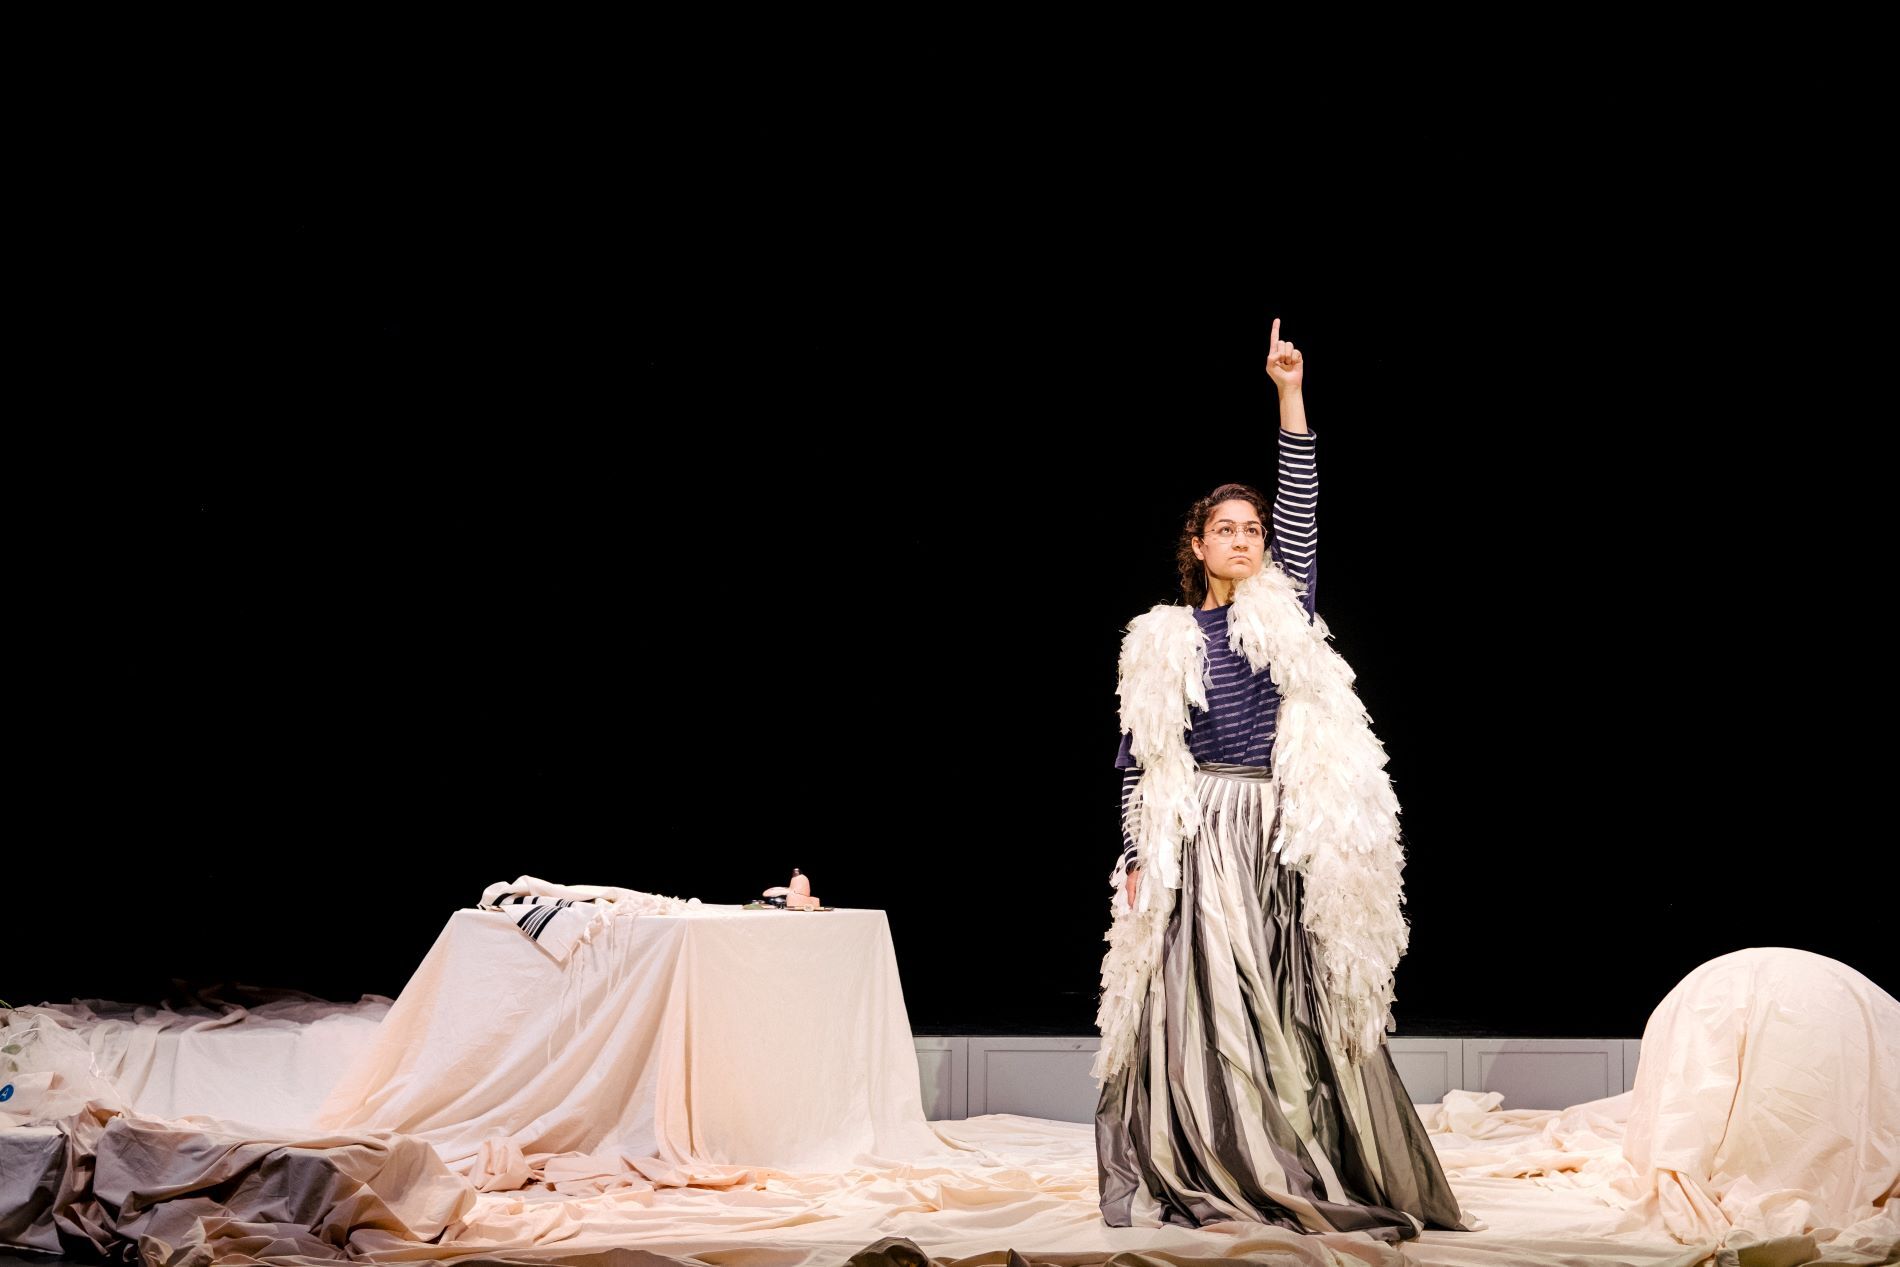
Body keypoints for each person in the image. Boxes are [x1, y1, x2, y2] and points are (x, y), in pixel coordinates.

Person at [1092, 318, 1469, 1242]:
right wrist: (1136, 855)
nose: (1243, 539)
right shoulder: (1162, 639)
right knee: (1208, 1000)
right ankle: (1216, 1152)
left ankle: (1294, 1152)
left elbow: (1301, 500)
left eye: (1252, 530)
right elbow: (1144, 761)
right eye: (1225, 529)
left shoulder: (1283, 607)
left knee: (1288, 994)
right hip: (1200, 828)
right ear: (1196, 544)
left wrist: (1289, 394)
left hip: (1278, 824)